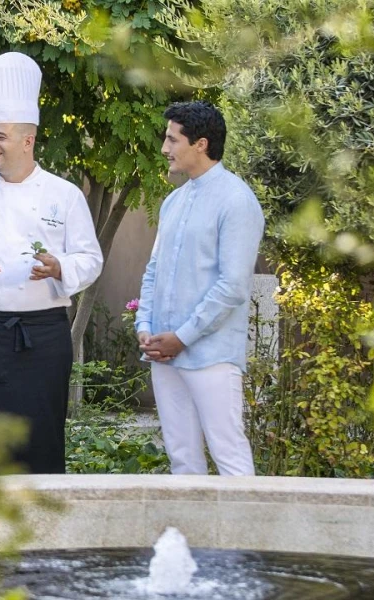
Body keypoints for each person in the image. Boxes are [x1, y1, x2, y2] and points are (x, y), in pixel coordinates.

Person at [0, 52, 104, 474]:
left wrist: (60, 268)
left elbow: (91, 258)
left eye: (0, 136)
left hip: (44, 340)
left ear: (27, 141)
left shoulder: (65, 196)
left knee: (40, 440)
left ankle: (39, 535)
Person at [135, 100, 265, 477]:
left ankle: (243, 538)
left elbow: (233, 286)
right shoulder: (173, 202)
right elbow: (153, 270)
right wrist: (145, 326)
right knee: (182, 458)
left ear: (201, 144)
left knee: (229, 455)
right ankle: (192, 539)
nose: (164, 149)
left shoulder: (236, 200)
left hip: (211, 355)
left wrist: (183, 337)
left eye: (173, 140)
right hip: (163, 352)